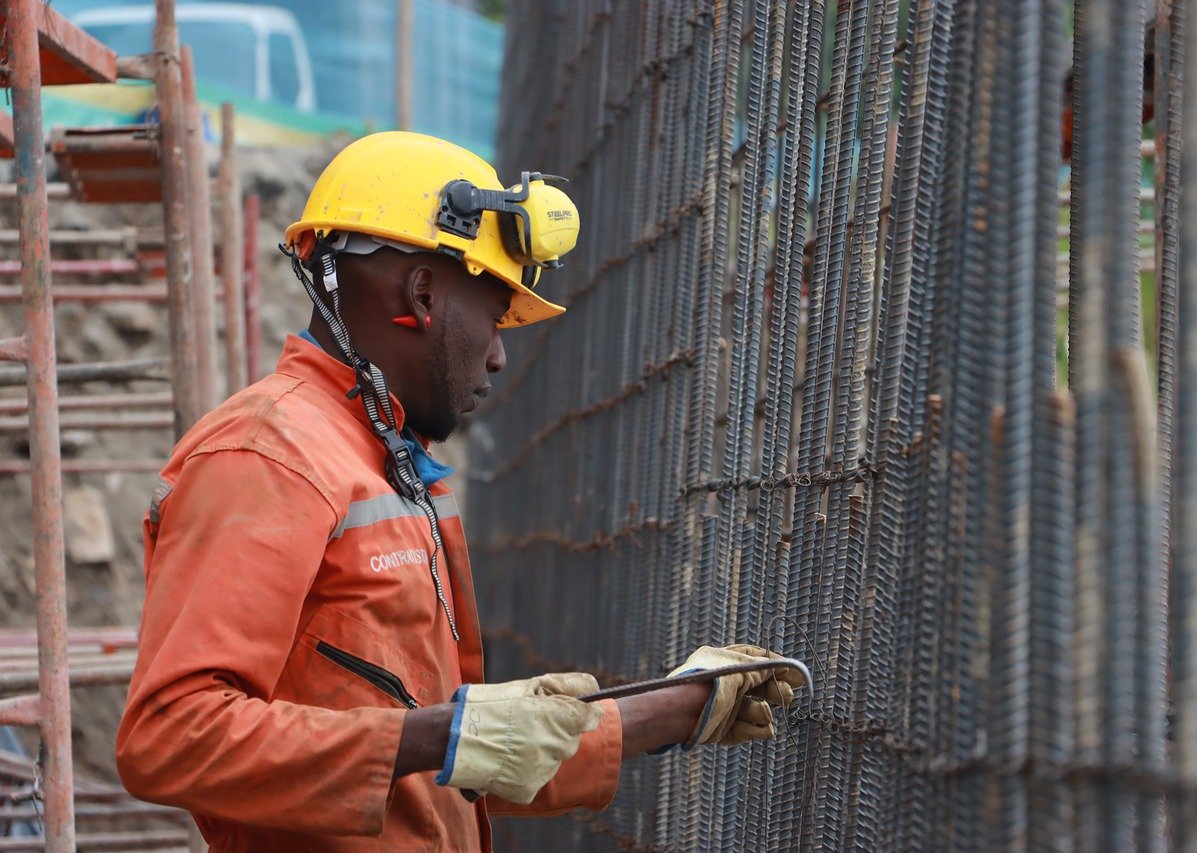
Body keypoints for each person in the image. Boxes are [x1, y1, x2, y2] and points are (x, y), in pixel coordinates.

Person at [116, 132, 802, 851]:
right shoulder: (269, 454)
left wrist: (679, 708)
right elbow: (169, 736)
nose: (500, 355)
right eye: (494, 313)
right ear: (421, 293)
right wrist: (445, 732)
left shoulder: (388, 461)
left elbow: (436, 762)